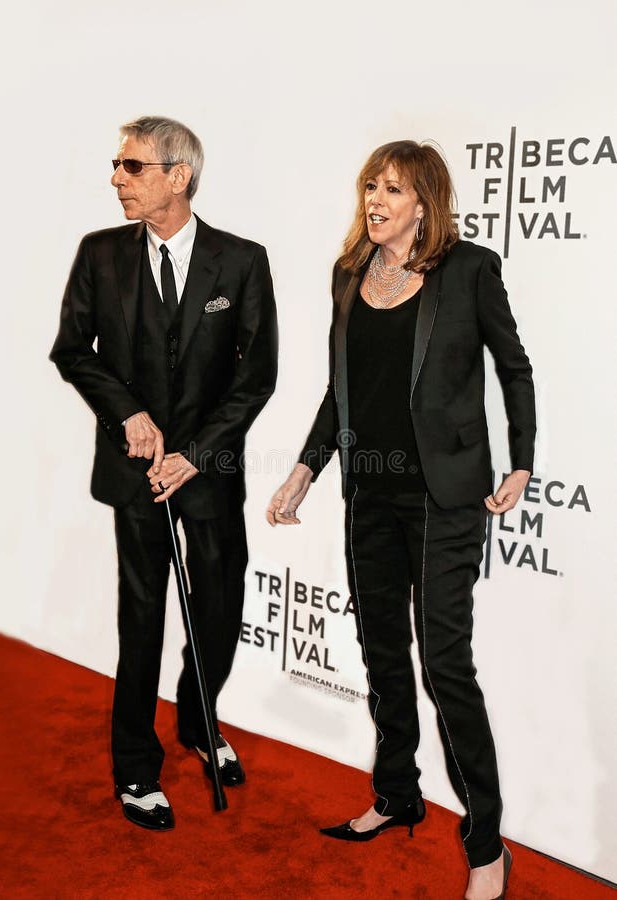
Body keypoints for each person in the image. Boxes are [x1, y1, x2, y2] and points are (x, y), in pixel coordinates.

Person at [267, 140, 534, 900]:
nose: (374, 199)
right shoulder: (349, 274)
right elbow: (340, 387)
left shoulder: (469, 270)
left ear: (424, 201)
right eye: (368, 185)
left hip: (444, 498)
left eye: (390, 188)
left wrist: (519, 460)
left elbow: (512, 367)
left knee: (444, 666)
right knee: (381, 649)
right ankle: (396, 794)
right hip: (370, 494)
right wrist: (304, 470)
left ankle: (485, 842)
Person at [51, 116, 278, 831]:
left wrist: (196, 453)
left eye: (132, 166)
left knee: (217, 607)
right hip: (134, 470)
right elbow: (72, 350)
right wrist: (127, 416)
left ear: (178, 176)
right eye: (117, 165)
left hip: (205, 471)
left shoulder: (240, 261)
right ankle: (135, 767)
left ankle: (198, 720)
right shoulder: (100, 254)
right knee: (141, 615)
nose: (116, 178)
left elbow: (257, 375)